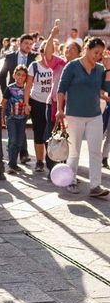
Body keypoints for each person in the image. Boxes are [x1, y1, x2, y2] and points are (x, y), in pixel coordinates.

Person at [56, 37, 110, 197]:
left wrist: (107, 69)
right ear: (87, 48)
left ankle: (95, 186)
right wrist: (59, 109)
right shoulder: (72, 66)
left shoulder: (100, 69)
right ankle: (71, 181)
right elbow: (61, 89)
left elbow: (105, 89)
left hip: (94, 115)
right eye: (95, 52)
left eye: (100, 54)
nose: (97, 56)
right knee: (74, 151)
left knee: (95, 152)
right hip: (73, 114)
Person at [44, 26, 81, 173]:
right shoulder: (58, 62)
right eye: (67, 48)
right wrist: (52, 36)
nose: (68, 51)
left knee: (70, 137)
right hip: (54, 104)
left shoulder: (81, 67)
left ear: (79, 53)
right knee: (52, 134)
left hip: (73, 106)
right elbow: (47, 54)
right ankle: (52, 166)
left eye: (73, 49)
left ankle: (66, 167)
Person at [0, 33, 37, 164]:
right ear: (20, 43)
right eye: (26, 43)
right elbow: (2, 75)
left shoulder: (34, 57)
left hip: (28, 96)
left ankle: (17, 151)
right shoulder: (10, 57)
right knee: (15, 123)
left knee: (22, 124)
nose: (29, 46)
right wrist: (7, 91)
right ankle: (21, 153)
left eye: (31, 44)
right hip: (13, 96)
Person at [24, 40, 55, 172]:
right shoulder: (34, 66)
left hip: (52, 103)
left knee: (52, 133)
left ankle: (53, 159)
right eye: (42, 51)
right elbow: (28, 86)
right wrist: (26, 104)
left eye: (48, 51)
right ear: (39, 52)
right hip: (37, 102)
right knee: (38, 132)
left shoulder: (57, 65)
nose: (45, 54)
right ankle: (39, 161)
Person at [1, 65, 29, 174]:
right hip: (11, 118)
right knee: (12, 140)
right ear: (14, 75)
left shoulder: (27, 89)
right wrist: (2, 117)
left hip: (22, 119)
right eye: (18, 75)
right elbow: (3, 103)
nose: (21, 77)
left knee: (19, 141)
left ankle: (14, 163)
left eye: (23, 75)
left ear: (26, 77)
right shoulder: (10, 88)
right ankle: (11, 164)